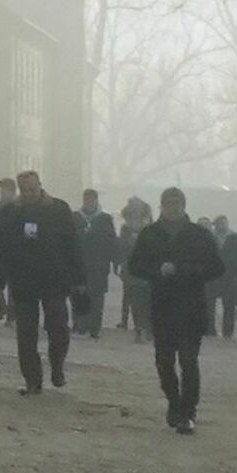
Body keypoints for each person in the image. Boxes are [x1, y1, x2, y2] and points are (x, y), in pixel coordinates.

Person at [126, 184, 223, 433]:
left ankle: (188, 411)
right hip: (162, 306)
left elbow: (217, 267)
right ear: (161, 206)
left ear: (183, 206)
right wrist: (157, 271)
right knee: (164, 362)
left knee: (189, 361)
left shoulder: (199, 234)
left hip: (191, 306)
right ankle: (173, 402)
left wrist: (188, 271)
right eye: (168, 205)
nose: (172, 209)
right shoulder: (151, 234)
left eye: (176, 205)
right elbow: (135, 266)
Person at [0, 172, 79, 394]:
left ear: (41, 186)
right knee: (26, 333)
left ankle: (57, 365)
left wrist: (79, 279)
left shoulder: (59, 209)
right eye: (25, 190)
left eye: (33, 188)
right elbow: (1, 248)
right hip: (23, 281)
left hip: (54, 280)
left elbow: (72, 245)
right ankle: (32, 380)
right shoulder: (11, 212)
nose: (29, 193)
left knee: (59, 327)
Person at [74, 189, 116, 339]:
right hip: (79, 263)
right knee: (78, 294)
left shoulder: (105, 219)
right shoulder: (76, 217)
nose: (89, 202)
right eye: (86, 199)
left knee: (96, 297)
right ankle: (79, 325)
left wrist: (112, 260)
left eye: (91, 199)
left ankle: (94, 328)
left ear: (96, 200)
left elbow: (111, 241)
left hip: (98, 264)